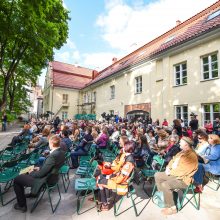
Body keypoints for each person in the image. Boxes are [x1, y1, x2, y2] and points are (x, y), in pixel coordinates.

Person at [13, 135, 66, 212]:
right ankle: (33, 194)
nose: (48, 144)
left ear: (52, 144)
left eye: (49, 143)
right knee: (34, 167)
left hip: (45, 180)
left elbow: (41, 174)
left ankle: (21, 205)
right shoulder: (61, 152)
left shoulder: (53, 156)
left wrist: (31, 172)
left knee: (17, 179)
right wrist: (39, 168)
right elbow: (51, 167)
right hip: (53, 177)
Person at [154, 137, 198, 215]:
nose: (179, 143)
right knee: (157, 175)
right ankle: (164, 197)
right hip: (174, 174)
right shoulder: (181, 152)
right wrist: (168, 168)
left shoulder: (192, 156)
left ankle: (172, 207)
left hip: (183, 179)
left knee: (166, 184)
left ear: (186, 145)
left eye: (181, 142)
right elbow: (172, 160)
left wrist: (170, 171)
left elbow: (183, 171)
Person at [97, 141, 135, 211]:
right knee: (102, 176)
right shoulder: (127, 157)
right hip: (119, 179)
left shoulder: (129, 162)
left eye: (124, 146)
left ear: (127, 148)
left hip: (121, 184)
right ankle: (104, 198)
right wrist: (112, 174)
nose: (123, 147)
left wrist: (110, 177)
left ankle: (105, 204)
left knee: (99, 181)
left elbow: (121, 179)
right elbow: (120, 171)